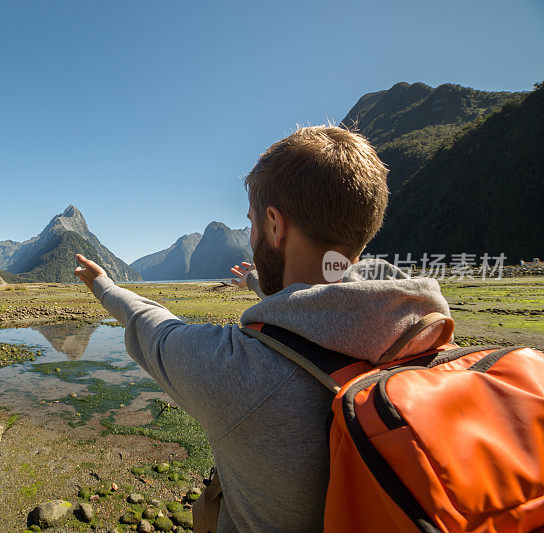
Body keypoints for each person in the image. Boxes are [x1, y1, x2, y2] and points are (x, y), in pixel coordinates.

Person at [74, 126, 452, 532]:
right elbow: (328, 289)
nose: (250, 235)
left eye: (252, 222)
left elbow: (154, 329)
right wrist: (257, 281)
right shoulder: (428, 333)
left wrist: (104, 286)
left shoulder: (238, 370)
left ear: (275, 225)